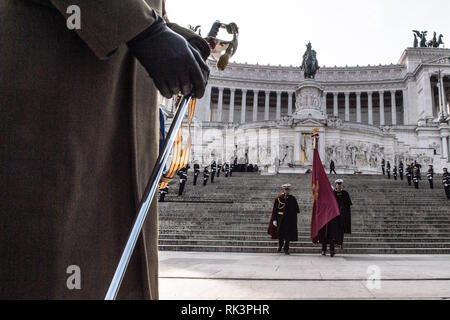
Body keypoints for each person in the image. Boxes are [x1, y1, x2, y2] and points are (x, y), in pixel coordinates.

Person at [0, 0, 210, 299]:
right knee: (51, 260)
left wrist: (169, 31)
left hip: (121, 115)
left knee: (110, 258)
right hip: (58, 82)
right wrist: (144, 28)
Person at [318, 180, 350, 257]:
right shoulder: (324, 199)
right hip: (325, 219)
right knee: (324, 235)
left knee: (332, 235)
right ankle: (324, 250)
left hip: (333, 219)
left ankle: (332, 251)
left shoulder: (334, 198)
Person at [267, 184, 300, 255]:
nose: (287, 191)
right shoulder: (279, 198)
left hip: (289, 219)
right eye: (285, 189)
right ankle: (280, 245)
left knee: (288, 234)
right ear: (283, 190)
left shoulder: (292, 198)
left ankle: (286, 249)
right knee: (280, 233)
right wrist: (275, 219)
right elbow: (275, 209)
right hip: (280, 218)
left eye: (288, 189)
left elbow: (297, 209)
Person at [332, 179, 352, 252]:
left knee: (341, 230)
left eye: (340, 184)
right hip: (334, 215)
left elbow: (348, 205)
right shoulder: (332, 193)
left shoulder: (345, 193)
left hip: (342, 215)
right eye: (338, 184)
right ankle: (334, 242)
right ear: (336, 185)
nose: (339, 186)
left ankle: (340, 243)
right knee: (334, 229)